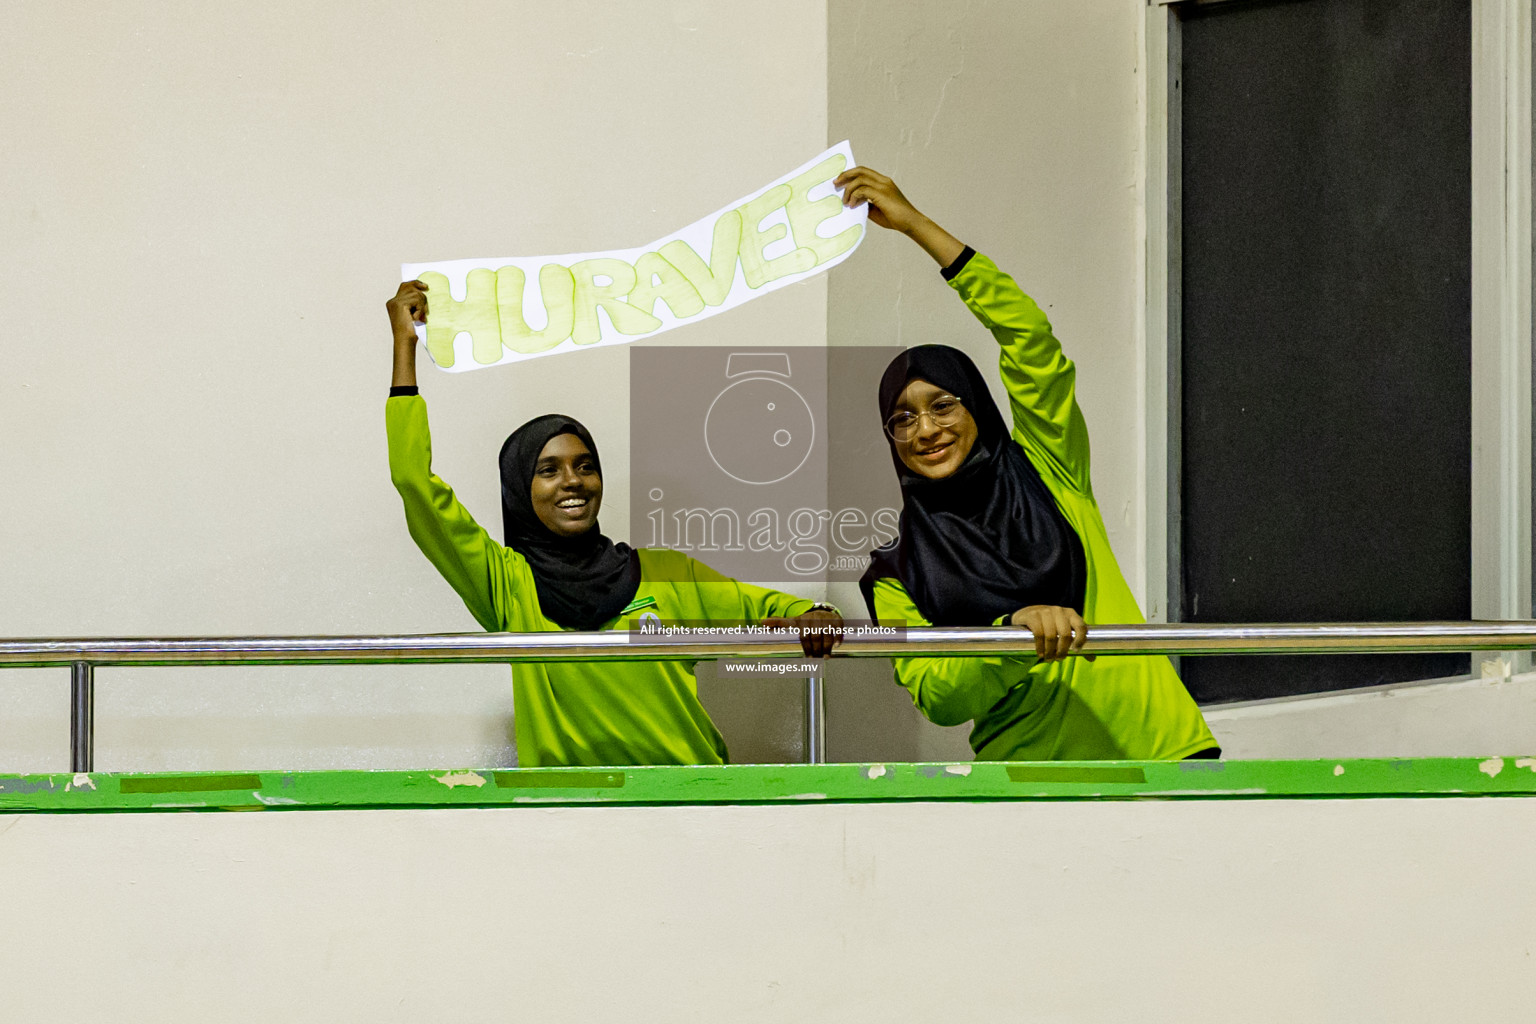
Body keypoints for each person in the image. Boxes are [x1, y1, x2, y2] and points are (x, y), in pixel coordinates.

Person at [835, 166, 1218, 761]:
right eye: (903, 419)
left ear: (977, 408)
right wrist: (1009, 635)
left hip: (1163, 756)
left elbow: (1029, 339)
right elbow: (938, 698)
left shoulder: (1048, 469)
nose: (926, 430)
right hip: (1029, 792)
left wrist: (915, 225)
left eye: (941, 405)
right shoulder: (895, 571)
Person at [384, 280, 841, 767]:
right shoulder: (508, 585)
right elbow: (414, 482)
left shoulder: (665, 572)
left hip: (693, 802)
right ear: (519, 489)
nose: (572, 482)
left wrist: (817, 615)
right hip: (570, 816)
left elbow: (775, 609)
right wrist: (404, 346)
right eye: (548, 470)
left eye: (585, 466)